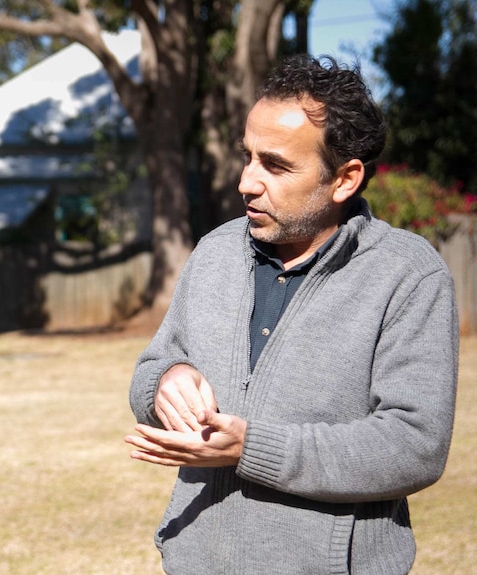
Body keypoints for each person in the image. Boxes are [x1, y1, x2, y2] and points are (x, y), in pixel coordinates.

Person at [125, 54, 459, 574]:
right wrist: (166, 380)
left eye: (275, 165)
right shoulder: (214, 252)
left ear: (344, 179)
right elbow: (152, 367)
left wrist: (250, 448)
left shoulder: (409, 275)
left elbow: (414, 445)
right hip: (194, 563)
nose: (247, 182)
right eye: (249, 156)